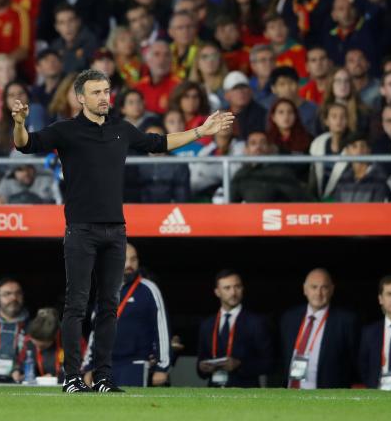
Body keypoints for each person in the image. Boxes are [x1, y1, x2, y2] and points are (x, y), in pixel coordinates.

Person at [12, 69, 233, 393]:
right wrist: (19, 123)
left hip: (116, 231)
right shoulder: (66, 131)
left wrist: (200, 131)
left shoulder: (121, 129)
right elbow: (26, 145)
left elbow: (159, 143)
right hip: (81, 230)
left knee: (108, 307)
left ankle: (103, 377)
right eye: (97, 92)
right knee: (76, 305)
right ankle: (73, 377)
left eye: (106, 91)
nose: (105, 97)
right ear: (81, 98)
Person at [83, 243, 172, 387]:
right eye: (124, 259)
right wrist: (87, 366)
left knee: (131, 409)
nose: (129, 264)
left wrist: (162, 367)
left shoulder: (149, 289)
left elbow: (162, 329)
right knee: (100, 409)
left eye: (134, 259)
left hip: (135, 365)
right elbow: (96, 332)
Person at [281, 268, 358, 389]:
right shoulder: (289, 318)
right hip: (291, 393)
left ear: (332, 290)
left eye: (324, 287)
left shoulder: (346, 321)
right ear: (305, 289)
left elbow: (354, 362)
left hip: (327, 396)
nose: (318, 293)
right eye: (314, 287)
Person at [197, 270, 273, 388]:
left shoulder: (256, 322)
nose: (233, 293)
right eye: (227, 288)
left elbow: (268, 363)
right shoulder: (207, 324)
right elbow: (200, 363)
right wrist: (202, 367)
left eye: (237, 287)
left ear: (243, 288)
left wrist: (239, 365)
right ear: (217, 292)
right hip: (214, 393)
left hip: (246, 394)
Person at [230, 131, 311, 203]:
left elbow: (302, 202)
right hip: (253, 218)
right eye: (253, 143)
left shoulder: (281, 173)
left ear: (269, 148)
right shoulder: (241, 174)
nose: (258, 147)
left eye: (263, 143)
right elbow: (230, 206)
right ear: (246, 150)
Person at [334, 134, 391, 203]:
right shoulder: (343, 178)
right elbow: (338, 207)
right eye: (354, 146)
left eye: (362, 146)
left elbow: (379, 209)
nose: (359, 150)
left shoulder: (379, 178)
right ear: (347, 151)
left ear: (369, 150)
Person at [14, 308, 63, 382]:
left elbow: (80, 370)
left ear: (54, 337)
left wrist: (57, 377)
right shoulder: (27, 340)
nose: (38, 349)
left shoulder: (70, 340)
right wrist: (17, 371)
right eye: (35, 344)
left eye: (43, 347)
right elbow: (20, 362)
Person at [50, 4, 98, 74]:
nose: (67, 26)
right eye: (62, 22)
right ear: (56, 27)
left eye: (71, 21)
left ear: (78, 22)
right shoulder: (55, 48)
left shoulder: (92, 43)